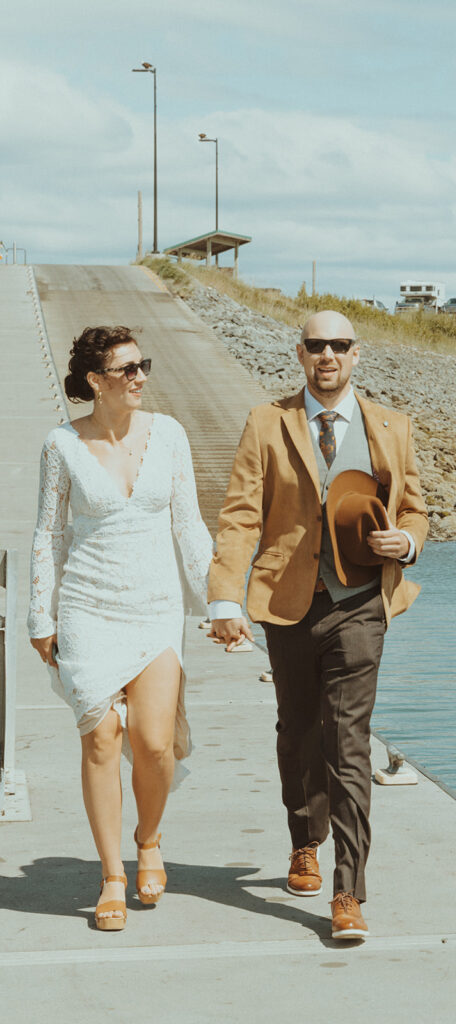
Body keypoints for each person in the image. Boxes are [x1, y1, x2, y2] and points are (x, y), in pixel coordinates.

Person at [208, 309, 428, 940]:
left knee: (348, 740)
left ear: (356, 354)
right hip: (288, 601)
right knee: (299, 730)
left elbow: (413, 508)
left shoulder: (392, 425)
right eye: (316, 345)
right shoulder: (266, 422)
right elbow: (240, 517)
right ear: (300, 353)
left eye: (339, 345)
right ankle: (305, 836)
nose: (327, 354)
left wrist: (405, 544)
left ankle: (348, 891)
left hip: (361, 603)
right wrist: (225, 597)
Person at [28, 325, 213, 931]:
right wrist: (40, 613)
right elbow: (49, 534)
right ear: (94, 381)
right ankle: (112, 876)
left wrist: (219, 603)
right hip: (86, 607)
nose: (139, 377)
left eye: (142, 366)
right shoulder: (61, 445)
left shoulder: (170, 435)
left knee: (156, 742)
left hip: (155, 606)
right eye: (126, 368)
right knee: (102, 737)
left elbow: (188, 525)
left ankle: (149, 836)